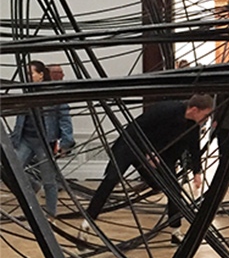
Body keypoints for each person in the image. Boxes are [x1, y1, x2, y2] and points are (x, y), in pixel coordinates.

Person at [85, 94, 213, 242]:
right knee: (112, 178)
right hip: (130, 145)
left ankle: (175, 231)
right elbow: (137, 128)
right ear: (195, 109)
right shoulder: (167, 109)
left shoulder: (192, 125)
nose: (207, 119)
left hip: (159, 155)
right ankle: (89, 219)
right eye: (206, 115)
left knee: (173, 190)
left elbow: (194, 147)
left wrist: (197, 171)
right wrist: (147, 152)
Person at [9, 60, 75, 216]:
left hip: (44, 142)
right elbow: (20, 118)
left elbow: (65, 119)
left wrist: (66, 143)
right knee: (12, 170)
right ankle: (33, 185)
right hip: (25, 139)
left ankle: (51, 213)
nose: (28, 77)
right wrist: (14, 137)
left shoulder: (54, 95)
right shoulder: (26, 92)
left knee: (49, 180)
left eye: (30, 74)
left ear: (40, 75)